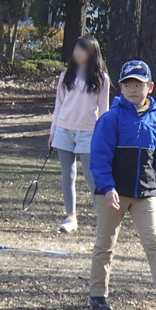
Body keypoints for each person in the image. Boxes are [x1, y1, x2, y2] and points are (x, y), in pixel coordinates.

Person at [88, 60, 156, 310]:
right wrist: (107, 187)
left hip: (145, 194)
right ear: (120, 87)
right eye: (127, 83)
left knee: (155, 243)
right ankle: (98, 295)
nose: (132, 88)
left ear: (150, 87)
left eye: (138, 84)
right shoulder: (110, 119)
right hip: (113, 194)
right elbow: (99, 157)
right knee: (105, 244)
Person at [49, 35, 110, 233]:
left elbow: (104, 112)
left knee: (92, 177)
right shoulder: (65, 76)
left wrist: (104, 139)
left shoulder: (101, 79)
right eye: (75, 49)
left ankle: (103, 220)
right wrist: (53, 132)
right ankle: (71, 217)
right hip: (64, 130)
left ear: (92, 52)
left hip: (89, 133)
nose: (77, 53)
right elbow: (58, 106)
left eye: (82, 49)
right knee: (68, 175)